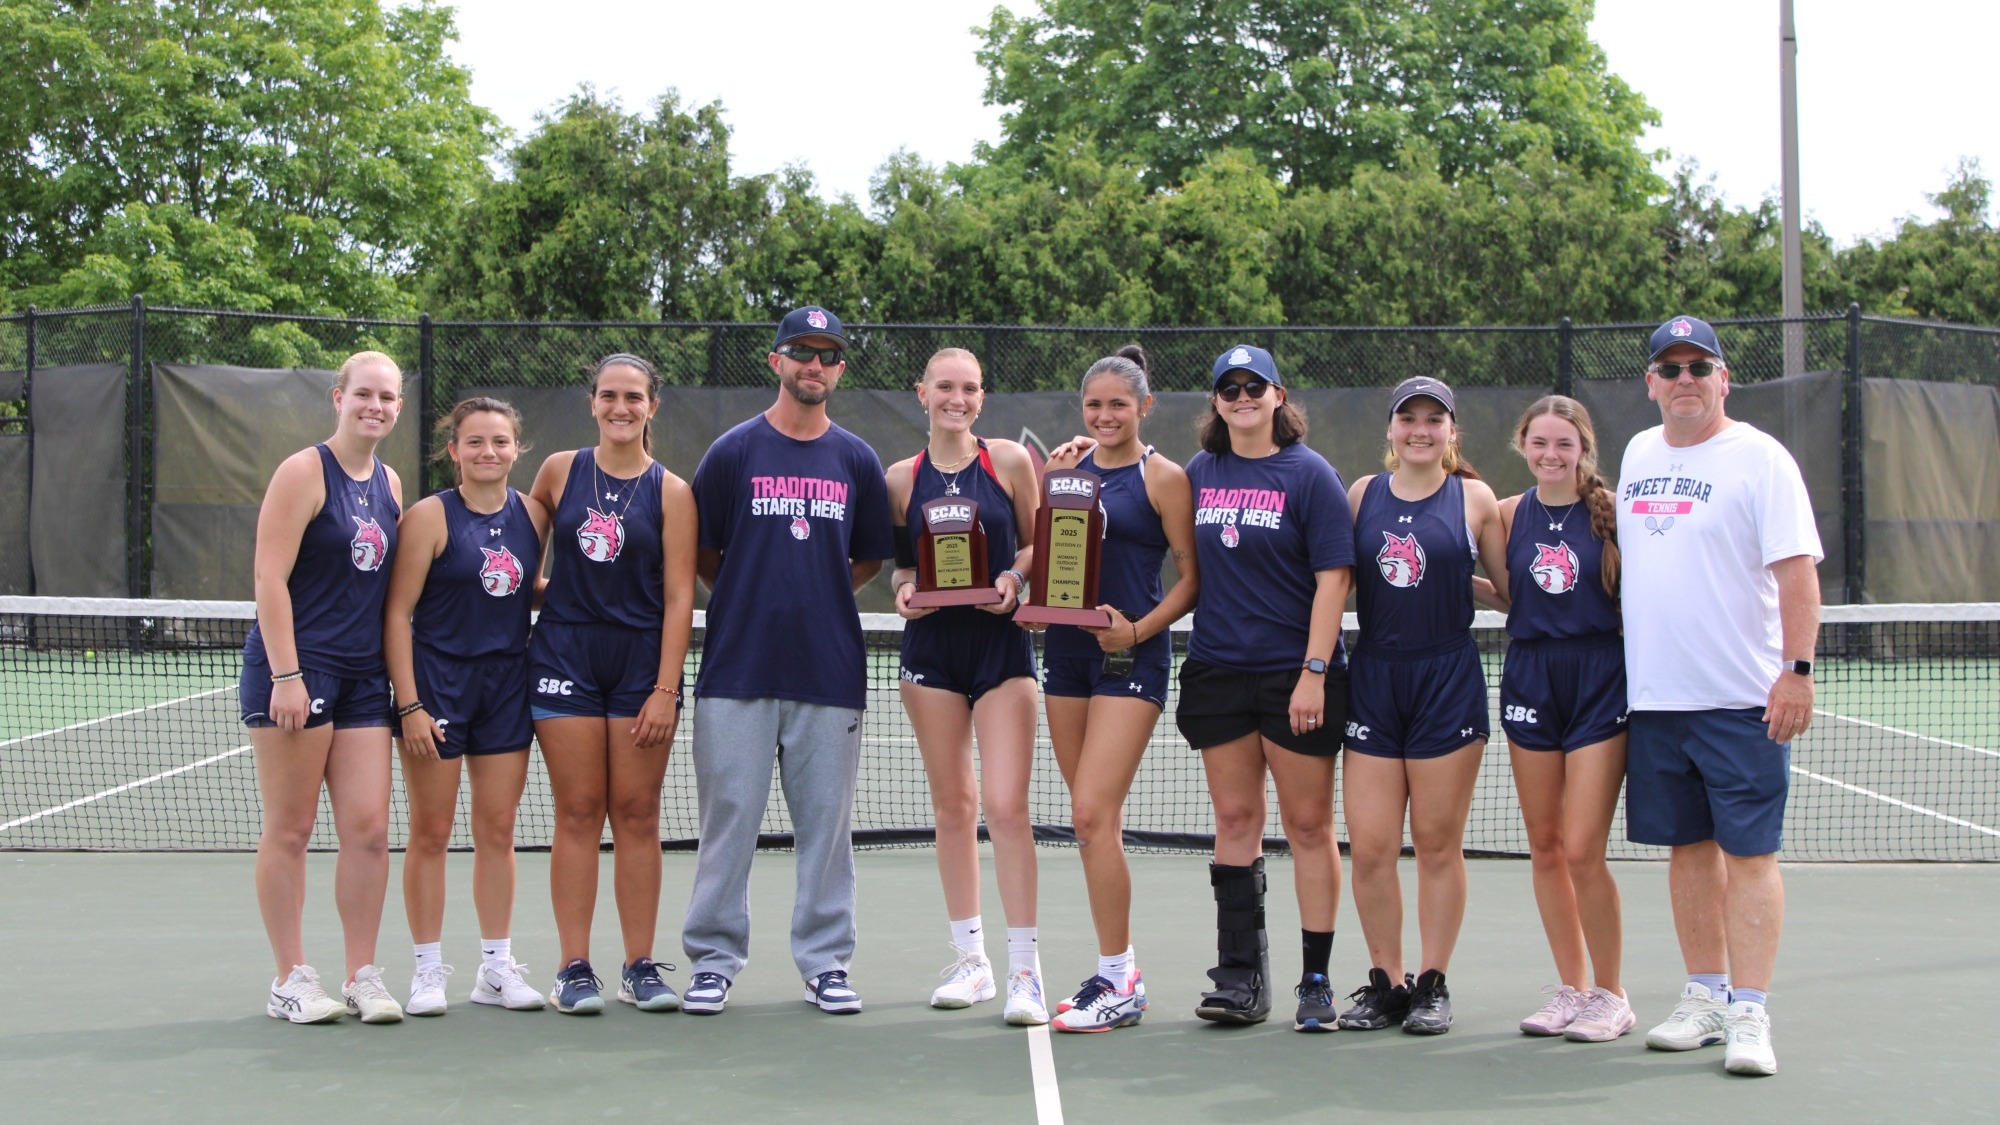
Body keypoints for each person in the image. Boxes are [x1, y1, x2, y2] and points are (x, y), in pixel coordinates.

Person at [1619, 316, 1821, 1078]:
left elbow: (1797, 573)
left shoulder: (1761, 459)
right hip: (1657, 701)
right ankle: (1704, 995)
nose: (1684, 381)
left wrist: (1795, 670)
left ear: (1724, 378)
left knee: (1750, 854)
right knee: (1688, 851)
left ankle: (1750, 1009)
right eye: (1669, 369)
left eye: (1698, 367)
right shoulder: (1639, 452)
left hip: (1741, 700)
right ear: (1650, 383)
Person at [682, 305, 896, 1015]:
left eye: (828, 354)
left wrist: (814, 593)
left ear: (839, 368)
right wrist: (753, 593)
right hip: (737, 667)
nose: (815, 364)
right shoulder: (733, 452)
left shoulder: (857, 459)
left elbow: (864, 556)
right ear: (775, 360)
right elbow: (706, 552)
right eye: (801, 351)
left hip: (828, 672)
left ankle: (826, 962)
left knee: (826, 829)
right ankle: (713, 959)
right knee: (729, 819)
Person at [1175, 344, 1354, 1032]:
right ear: (1216, 401)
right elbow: (1135, 485)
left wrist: (1313, 672)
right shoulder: (1199, 471)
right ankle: (1240, 975)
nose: (1243, 397)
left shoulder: (1310, 475)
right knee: (1236, 822)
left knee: (1308, 826)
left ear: (1280, 396)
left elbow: (1333, 578)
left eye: (1256, 386)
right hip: (1219, 671)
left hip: (1295, 675)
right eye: (1229, 387)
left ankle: (1316, 979)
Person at [1035, 345, 1199, 1034]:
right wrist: (1051, 481)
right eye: (1094, 404)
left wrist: (1137, 631)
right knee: (1090, 822)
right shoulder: (1066, 470)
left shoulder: (1164, 478)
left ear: (1144, 407)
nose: (1105, 415)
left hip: (1133, 661)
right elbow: (1047, 556)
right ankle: (1119, 971)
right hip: (1066, 656)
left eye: (1118, 404)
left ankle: (1117, 979)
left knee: (1093, 814)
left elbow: (1191, 577)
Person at [527, 354, 697, 1015]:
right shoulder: (559, 472)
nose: (620, 407)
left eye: (633, 397)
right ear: (592, 402)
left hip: (639, 666)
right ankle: (573, 967)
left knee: (635, 813)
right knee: (576, 811)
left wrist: (663, 686)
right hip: (563, 657)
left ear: (652, 406)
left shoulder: (672, 492)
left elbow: (680, 595)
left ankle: (639, 966)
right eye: (608, 395)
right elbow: (518, 560)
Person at [1338, 376, 1509, 1036]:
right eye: (1407, 416)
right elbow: (1340, 576)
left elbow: (1505, 588)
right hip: (1374, 680)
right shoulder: (1361, 495)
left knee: (1438, 844)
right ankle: (1387, 983)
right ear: (1390, 429)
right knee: (1374, 846)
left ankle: (1433, 984)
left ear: (1451, 430)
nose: (1419, 428)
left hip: (1447, 680)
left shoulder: (1475, 498)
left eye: (1433, 418)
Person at [241, 350, 407, 1024]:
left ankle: (362, 974)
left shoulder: (392, 482)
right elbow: (268, 579)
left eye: (388, 397)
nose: (375, 405)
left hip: (365, 676)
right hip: (297, 671)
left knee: (368, 829)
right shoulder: (304, 471)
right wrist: (286, 674)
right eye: (364, 393)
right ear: (338, 397)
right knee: (291, 827)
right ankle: (290, 977)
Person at [886, 348, 1047, 1024]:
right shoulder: (899, 477)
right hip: (932, 653)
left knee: (1006, 809)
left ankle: (1024, 972)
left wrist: (1014, 579)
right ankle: (973, 962)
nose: (956, 398)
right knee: (954, 807)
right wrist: (902, 592)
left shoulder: (1008, 461)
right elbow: (898, 567)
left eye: (969, 388)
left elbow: (1040, 545)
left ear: (982, 396)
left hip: (1001, 650)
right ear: (922, 393)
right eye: (944, 387)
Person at [382, 398, 551, 1015]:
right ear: (453, 451)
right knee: (430, 832)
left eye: (500, 442)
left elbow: (517, 586)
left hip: (508, 686)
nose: (488, 452)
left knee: (498, 832)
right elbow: (397, 614)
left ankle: (496, 969)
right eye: (474, 442)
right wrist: (410, 705)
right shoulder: (428, 518)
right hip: (438, 686)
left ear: (516, 449)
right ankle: (428, 971)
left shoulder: (534, 514)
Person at [1487, 396, 1634, 1041]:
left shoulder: (1615, 515)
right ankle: (1572, 990)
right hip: (1530, 678)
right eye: (1540, 443)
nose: (1551, 455)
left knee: (1582, 850)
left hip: (1600, 679)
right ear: (1523, 445)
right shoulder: (1504, 516)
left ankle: (1612, 994)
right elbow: (1505, 592)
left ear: (1583, 450)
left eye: (1564, 444)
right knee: (1544, 847)